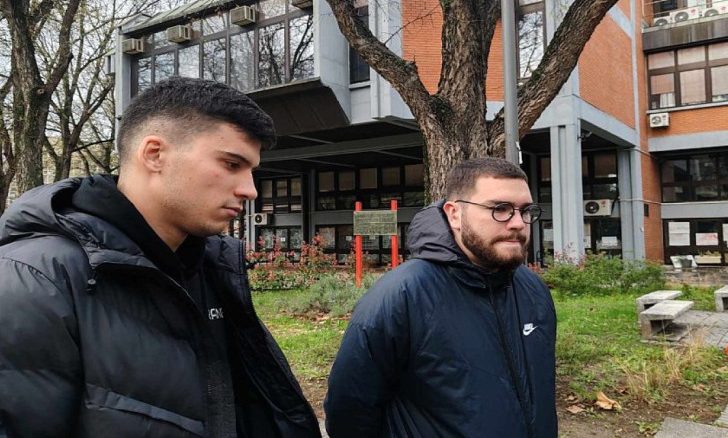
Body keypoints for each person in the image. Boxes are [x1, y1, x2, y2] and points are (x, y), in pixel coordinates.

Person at [0, 77, 320, 437]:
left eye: (251, 171)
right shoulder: (33, 281)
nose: (250, 190)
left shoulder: (211, 267)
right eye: (232, 164)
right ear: (154, 154)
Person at [324, 157, 557, 438]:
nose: (518, 223)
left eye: (526, 210)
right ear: (454, 214)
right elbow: (349, 412)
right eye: (500, 209)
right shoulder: (401, 296)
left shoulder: (533, 289)